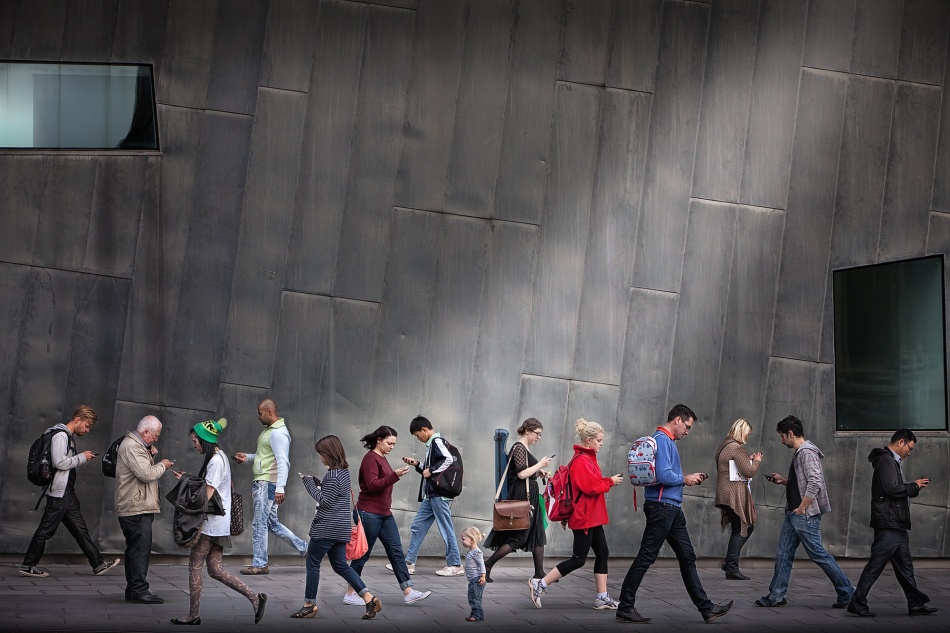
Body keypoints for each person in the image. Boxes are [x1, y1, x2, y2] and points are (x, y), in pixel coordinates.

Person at [616, 404, 734, 624]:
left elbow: (667, 474)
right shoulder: (663, 441)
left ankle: (707, 609)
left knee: (687, 556)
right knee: (646, 556)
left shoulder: (664, 440)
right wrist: (685, 479)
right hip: (663, 507)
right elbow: (664, 475)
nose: (687, 432)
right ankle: (625, 607)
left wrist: (687, 477)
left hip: (670, 508)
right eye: (687, 426)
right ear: (677, 420)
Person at [169, 418, 267, 625]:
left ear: (204, 441)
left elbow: (205, 497)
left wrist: (186, 484)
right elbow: (210, 488)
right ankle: (255, 598)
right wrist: (188, 479)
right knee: (215, 569)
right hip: (219, 524)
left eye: (195, 441)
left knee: (195, 567)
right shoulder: (220, 456)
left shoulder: (215, 462)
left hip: (209, 525)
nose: (194, 445)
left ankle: (193, 616)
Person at [757, 415, 854, 609]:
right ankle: (776, 595)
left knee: (818, 554)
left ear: (790, 433)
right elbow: (802, 482)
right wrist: (784, 481)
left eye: (782, 436)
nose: (781, 441)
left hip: (803, 515)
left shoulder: (806, 453)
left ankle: (848, 592)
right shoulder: (800, 453)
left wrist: (802, 508)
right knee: (784, 554)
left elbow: (814, 482)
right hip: (793, 514)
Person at [529, 418, 623, 611]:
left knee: (602, 553)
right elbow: (590, 487)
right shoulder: (582, 461)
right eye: (599, 440)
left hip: (591, 516)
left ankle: (602, 597)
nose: (601, 443)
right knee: (578, 559)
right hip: (585, 517)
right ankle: (540, 583)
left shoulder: (587, 458)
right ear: (588, 440)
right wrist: (610, 481)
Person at [20, 405, 120, 578]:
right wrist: (82, 457)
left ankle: (98, 564)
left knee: (80, 530)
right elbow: (60, 463)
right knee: (46, 530)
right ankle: (28, 565)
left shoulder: (67, 436)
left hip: (66, 492)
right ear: (77, 420)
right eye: (87, 426)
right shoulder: (61, 436)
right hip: (60, 493)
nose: (87, 430)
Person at [847, 429, 937, 618]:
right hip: (889, 522)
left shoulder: (890, 461)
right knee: (876, 564)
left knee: (905, 565)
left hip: (895, 522)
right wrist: (913, 486)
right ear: (901, 442)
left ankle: (915, 603)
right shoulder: (886, 460)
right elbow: (892, 489)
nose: (909, 453)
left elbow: (895, 489)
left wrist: (914, 488)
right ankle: (857, 602)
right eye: (910, 448)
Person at [294, 435, 382, 620]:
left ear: (329, 454)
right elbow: (333, 496)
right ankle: (369, 598)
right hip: (340, 528)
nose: (320, 457)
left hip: (326, 528)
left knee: (312, 563)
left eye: (321, 453)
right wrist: (319, 483)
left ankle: (309, 605)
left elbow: (325, 501)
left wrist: (309, 483)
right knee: (340, 565)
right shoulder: (343, 472)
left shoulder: (333, 475)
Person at [343, 425, 431, 606]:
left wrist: (394, 475)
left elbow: (382, 483)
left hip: (384, 514)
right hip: (368, 513)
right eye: (389, 443)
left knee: (396, 552)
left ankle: (408, 592)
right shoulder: (370, 459)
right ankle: (350, 593)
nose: (392, 447)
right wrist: (394, 475)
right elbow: (372, 485)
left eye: (394, 444)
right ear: (379, 440)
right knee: (362, 554)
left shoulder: (382, 458)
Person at [233, 398, 307, 574]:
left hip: (266, 484)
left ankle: (259, 564)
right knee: (272, 523)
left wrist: (280, 488)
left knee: (259, 524)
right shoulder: (270, 431)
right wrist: (247, 458)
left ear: (270, 412)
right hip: (265, 482)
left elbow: (283, 462)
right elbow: (265, 458)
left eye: (260, 413)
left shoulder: (278, 433)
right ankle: (306, 548)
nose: (258, 417)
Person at [483, 418, 553, 582]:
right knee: (519, 537)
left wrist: (538, 473)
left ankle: (539, 572)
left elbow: (525, 472)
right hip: (522, 495)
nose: (538, 437)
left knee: (537, 533)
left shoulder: (524, 448)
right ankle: (487, 564)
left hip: (529, 495)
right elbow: (521, 474)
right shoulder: (519, 447)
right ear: (527, 431)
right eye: (537, 433)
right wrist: (540, 464)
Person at [116, 414, 174, 604]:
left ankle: (133, 589)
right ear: (146, 432)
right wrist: (162, 465)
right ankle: (139, 590)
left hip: (136, 505)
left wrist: (150, 455)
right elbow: (146, 474)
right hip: (136, 507)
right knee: (140, 550)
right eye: (155, 435)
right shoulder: (132, 446)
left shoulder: (136, 446)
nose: (156, 439)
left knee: (135, 549)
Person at [401, 415, 464, 576]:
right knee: (418, 525)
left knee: (445, 528)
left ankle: (455, 564)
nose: (418, 439)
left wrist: (431, 470)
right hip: (432, 495)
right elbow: (430, 469)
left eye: (417, 435)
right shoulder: (433, 444)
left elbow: (448, 460)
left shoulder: (436, 441)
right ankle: (409, 562)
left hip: (439, 494)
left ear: (424, 429)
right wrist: (417, 464)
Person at [714, 418, 763, 580]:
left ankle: (729, 561)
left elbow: (735, 467)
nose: (748, 437)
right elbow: (749, 471)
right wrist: (756, 461)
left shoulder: (724, 445)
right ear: (741, 432)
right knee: (741, 528)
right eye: (747, 434)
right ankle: (731, 567)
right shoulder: (736, 448)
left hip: (724, 492)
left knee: (745, 527)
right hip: (733, 494)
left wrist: (747, 460)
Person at [461, 526, 486, 622]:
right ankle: (475, 615)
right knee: (474, 598)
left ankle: (477, 615)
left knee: (474, 598)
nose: (462, 541)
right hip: (473, 580)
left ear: (472, 540)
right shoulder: (472, 551)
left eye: (463, 539)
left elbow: (482, 564)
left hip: (477, 579)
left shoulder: (476, 552)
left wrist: (483, 576)